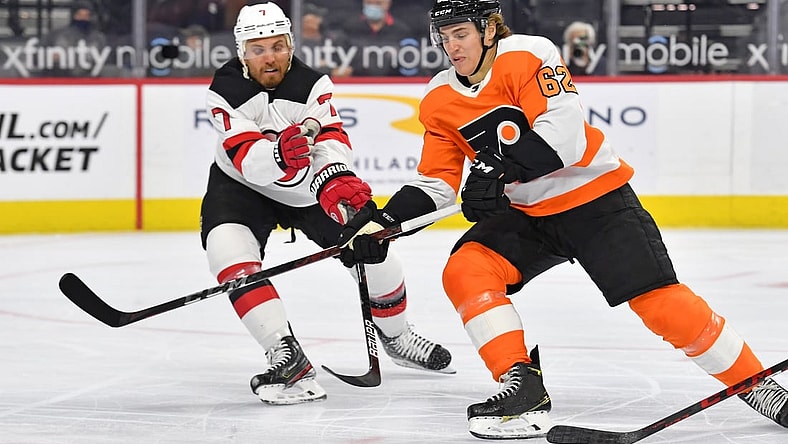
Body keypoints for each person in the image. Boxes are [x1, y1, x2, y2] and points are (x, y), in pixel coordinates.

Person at [337, 0, 788, 439]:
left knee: (659, 303)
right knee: (466, 270)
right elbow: (435, 181)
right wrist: (384, 222)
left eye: (461, 34)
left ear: (488, 30)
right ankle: (521, 384)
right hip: (529, 214)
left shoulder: (531, 53)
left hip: (595, 200)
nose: (452, 46)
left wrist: (498, 169)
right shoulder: (438, 98)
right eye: (444, 36)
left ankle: (760, 386)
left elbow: (565, 135)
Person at [201, 2, 453, 406]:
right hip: (241, 188)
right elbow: (249, 161)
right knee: (227, 251)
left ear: (291, 44)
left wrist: (335, 178)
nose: (270, 57)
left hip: (307, 190)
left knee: (377, 251)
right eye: (258, 48)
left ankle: (398, 335)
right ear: (241, 52)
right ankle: (286, 356)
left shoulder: (313, 86)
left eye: (278, 46)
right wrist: (280, 154)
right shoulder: (225, 91)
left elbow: (331, 137)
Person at [339, 0, 415, 76]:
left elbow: (408, 61)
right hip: (356, 81)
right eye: (369, 3)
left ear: (388, 3)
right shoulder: (350, 27)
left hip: (392, 82)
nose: (373, 7)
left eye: (378, 3)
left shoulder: (401, 30)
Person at [40, 0, 107, 77]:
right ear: (73, 15)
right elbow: (38, 57)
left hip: (90, 81)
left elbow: (107, 62)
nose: (83, 18)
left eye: (86, 15)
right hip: (61, 79)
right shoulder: (56, 36)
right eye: (80, 15)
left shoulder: (98, 38)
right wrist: (51, 58)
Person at [298, 2, 353, 77]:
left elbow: (344, 67)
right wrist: (328, 71)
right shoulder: (296, 42)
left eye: (319, 17)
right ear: (304, 20)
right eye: (315, 16)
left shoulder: (330, 40)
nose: (319, 19)